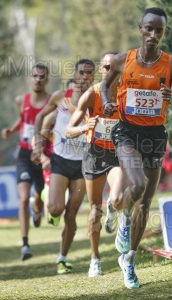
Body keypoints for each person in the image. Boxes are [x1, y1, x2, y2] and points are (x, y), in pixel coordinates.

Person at [100, 7, 172, 289]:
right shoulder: (122, 60)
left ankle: (128, 260)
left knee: (145, 201)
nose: (153, 35)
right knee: (138, 184)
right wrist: (107, 103)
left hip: (155, 134)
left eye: (159, 31)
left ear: (163, 33)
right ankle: (124, 217)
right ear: (140, 28)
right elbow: (104, 87)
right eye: (149, 29)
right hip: (127, 131)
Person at [66, 51, 127, 277]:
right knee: (94, 210)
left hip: (116, 155)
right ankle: (95, 259)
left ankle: (113, 208)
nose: (111, 71)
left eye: (115, 68)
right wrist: (85, 127)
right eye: (107, 67)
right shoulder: (91, 95)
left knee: (118, 197)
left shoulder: (125, 93)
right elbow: (68, 130)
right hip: (94, 155)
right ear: (102, 70)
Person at [31, 59, 95, 274]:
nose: (85, 76)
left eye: (89, 73)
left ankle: (62, 258)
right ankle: (48, 199)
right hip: (60, 160)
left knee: (71, 215)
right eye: (81, 73)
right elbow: (40, 117)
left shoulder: (96, 100)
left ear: (93, 77)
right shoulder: (61, 98)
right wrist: (38, 145)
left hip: (82, 164)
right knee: (56, 209)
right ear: (75, 75)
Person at [1, 63, 50, 260]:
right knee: (22, 198)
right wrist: (11, 131)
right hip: (23, 154)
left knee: (38, 199)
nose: (38, 79)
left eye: (42, 76)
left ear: (46, 80)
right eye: (35, 76)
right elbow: (23, 121)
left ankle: (36, 211)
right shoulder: (21, 100)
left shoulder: (51, 101)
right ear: (29, 79)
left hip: (42, 156)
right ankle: (25, 244)